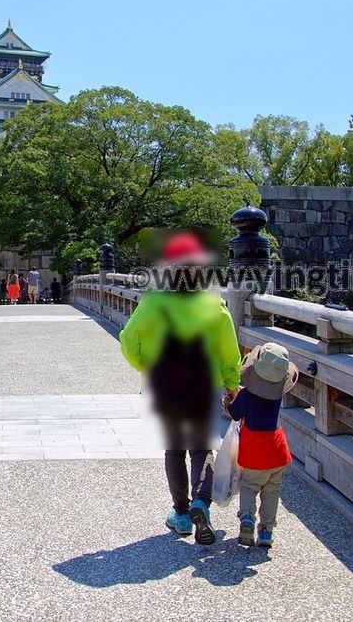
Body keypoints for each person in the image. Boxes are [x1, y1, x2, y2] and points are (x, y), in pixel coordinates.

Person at [119, 232, 241, 545]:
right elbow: (230, 354)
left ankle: (182, 514)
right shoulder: (215, 305)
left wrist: (147, 365)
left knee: (174, 449)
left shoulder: (154, 302)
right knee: (202, 448)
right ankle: (202, 502)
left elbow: (128, 338)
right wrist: (231, 387)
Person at [223, 343, 297, 548]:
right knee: (272, 491)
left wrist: (227, 404)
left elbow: (235, 414)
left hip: (256, 450)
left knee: (250, 486)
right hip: (278, 450)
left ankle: (247, 518)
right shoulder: (277, 395)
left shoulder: (246, 396)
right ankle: (266, 531)